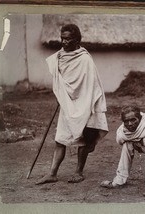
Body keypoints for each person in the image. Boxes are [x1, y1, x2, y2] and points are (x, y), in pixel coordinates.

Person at [36, 24, 108, 184]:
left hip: (85, 103)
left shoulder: (84, 58)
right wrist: (61, 94)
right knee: (60, 139)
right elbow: (59, 80)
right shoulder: (58, 57)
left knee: (84, 139)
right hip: (67, 104)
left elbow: (92, 83)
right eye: (62, 38)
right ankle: (52, 173)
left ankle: (78, 172)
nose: (64, 42)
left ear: (76, 39)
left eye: (68, 39)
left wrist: (83, 100)